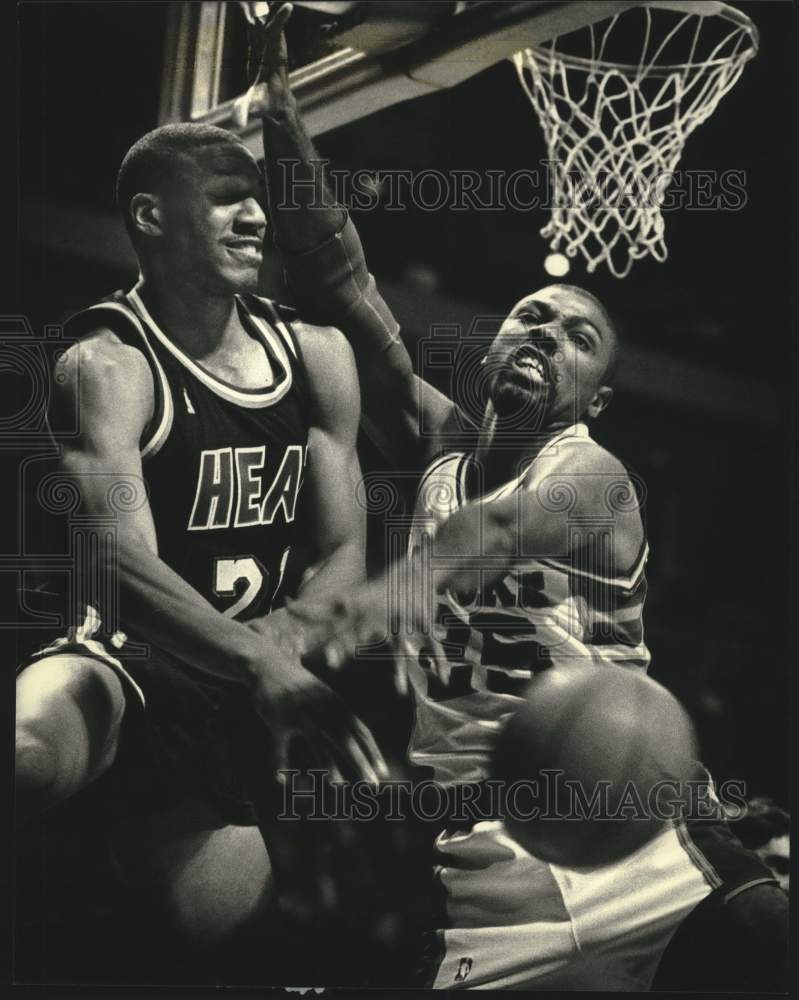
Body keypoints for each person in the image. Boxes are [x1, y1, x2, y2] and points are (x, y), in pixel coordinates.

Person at [246, 5, 786, 990]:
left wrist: (340, 613)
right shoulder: (437, 445)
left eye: (577, 336)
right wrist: (281, 120)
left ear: (599, 396)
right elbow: (343, 289)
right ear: (491, 349)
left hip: (641, 840)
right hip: (487, 860)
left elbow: (493, 534)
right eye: (530, 315)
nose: (544, 331)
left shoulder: (591, 477)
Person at [14, 116, 386, 975]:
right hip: (132, 658)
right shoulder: (105, 363)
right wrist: (258, 663)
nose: (255, 216)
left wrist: (283, 646)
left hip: (243, 679)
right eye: (226, 199)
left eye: (256, 198)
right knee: (29, 757)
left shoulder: (320, 355)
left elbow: (342, 550)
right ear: (152, 217)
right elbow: (119, 569)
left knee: (226, 959)